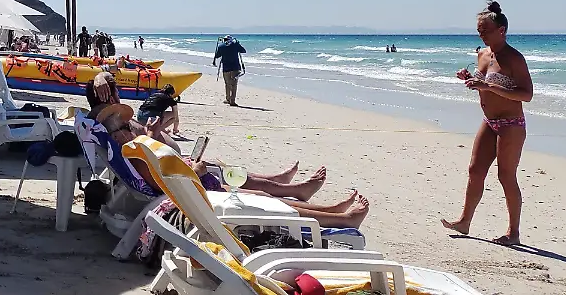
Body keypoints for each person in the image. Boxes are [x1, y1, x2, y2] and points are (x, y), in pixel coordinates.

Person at [86, 71, 368, 228]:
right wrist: (196, 169)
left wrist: (154, 138)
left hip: (187, 185)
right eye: (116, 101)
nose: (126, 121)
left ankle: (331, 211)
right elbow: (160, 180)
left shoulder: (121, 143)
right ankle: (341, 220)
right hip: (188, 192)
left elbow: (155, 171)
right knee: (260, 198)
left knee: (256, 192)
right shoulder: (129, 145)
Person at [442, 1, 533, 245]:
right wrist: (470, 79)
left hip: (511, 124)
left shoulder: (514, 58)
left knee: (506, 176)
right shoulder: (482, 54)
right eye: (479, 30)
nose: (481, 34)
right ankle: (464, 222)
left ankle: (513, 233)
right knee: (475, 170)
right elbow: (483, 83)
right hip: (489, 121)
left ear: (501, 30)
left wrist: (488, 86)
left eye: (485, 30)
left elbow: (527, 95)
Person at [213, 35, 247, 106]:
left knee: (227, 84)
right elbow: (244, 51)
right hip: (235, 68)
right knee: (234, 85)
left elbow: (217, 56)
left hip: (226, 68)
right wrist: (238, 44)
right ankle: (232, 101)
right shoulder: (235, 45)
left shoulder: (221, 46)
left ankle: (228, 99)